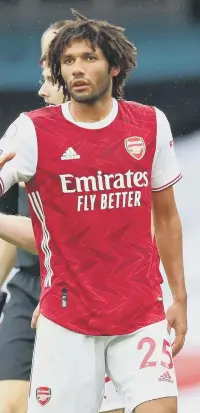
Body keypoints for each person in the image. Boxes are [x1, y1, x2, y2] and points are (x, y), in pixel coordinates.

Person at [0, 11, 186, 413]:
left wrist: (180, 298)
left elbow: (167, 217)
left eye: (88, 58)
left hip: (139, 311)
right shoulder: (32, 130)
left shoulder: (150, 124)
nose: (77, 70)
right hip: (67, 318)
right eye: (68, 62)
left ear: (114, 65)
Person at [0, 20, 124, 413]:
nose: (59, 66)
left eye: (75, 57)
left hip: (99, 288)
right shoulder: (28, 131)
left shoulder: (122, 132)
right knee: (11, 403)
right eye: (53, 57)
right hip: (30, 285)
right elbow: (12, 223)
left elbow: (62, 237)